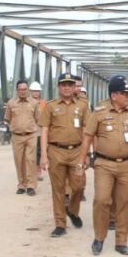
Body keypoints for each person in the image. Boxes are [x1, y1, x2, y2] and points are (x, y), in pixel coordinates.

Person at [75, 75, 128, 256]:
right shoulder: (99, 111)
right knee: (102, 200)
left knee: (124, 202)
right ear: (114, 95)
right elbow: (87, 137)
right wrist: (81, 162)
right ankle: (99, 237)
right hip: (104, 164)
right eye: (125, 93)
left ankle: (121, 241)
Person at [39, 73, 90, 237]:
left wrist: (87, 153)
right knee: (58, 189)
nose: (67, 87)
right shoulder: (50, 106)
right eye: (63, 84)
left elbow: (86, 131)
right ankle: (60, 223)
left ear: (75, 87)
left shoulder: (82, 106)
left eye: (70, 84)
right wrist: (43, 156)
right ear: (59, 87)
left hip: (77, 151)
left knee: (79, 185)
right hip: (56, 152)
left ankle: (73, 211)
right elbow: (45, 131)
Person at [4, 80, 41, 196]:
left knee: (31, 160)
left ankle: (31, 186)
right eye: (21, 89)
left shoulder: (34, 103)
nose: (23, 91)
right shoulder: (11, 103)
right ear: (17, 90)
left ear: (28, 90)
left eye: (25, 89)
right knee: (19, 160)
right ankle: (21, 185)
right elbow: (7, 119)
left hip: (31, 136)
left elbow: (38, 119)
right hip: (17, 136)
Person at [29, 82, 46, 181]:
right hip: (30, 131)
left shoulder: (43, 103)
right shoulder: (27, 102)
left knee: (39, 152)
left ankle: (38, 171)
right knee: (31, 152)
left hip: (40, 131)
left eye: (37, 91)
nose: (36, 93)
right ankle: (31, 171)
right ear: (30, 92)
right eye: (34, 91)